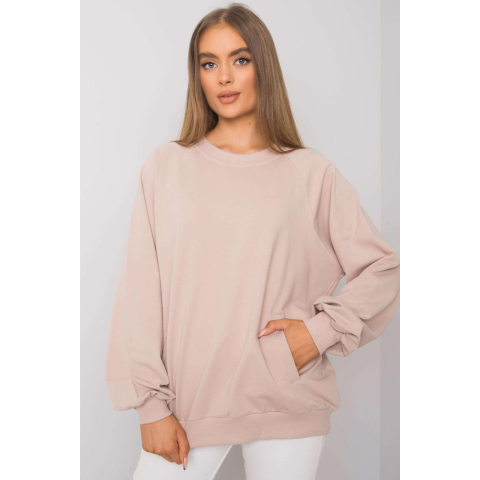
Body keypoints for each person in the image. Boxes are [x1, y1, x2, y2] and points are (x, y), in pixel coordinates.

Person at [105, 3, 400, 479]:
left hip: (287, 400)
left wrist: (316, 334)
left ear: (263, 66)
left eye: (240, 60)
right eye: (209, 63)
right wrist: (150, 406)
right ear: (197, 75)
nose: (224, 76)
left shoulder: (310, 173)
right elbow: (139, 294)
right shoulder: (166, 168)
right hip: (188, 404)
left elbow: (382, 269)